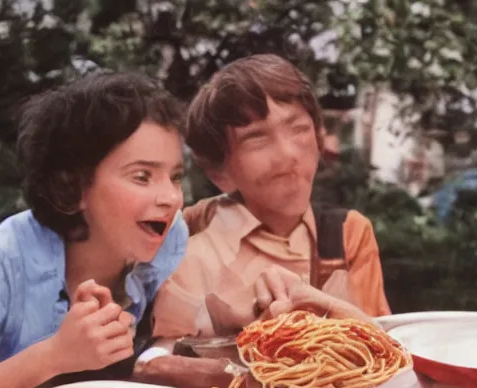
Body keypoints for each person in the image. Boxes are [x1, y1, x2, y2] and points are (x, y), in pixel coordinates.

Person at [152, 54, 391, 342]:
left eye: (299, 129)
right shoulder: (191, 247)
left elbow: (381, 348)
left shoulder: (347, 234)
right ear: (219, 173)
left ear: (318, 138)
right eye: (257, 139)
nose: (287, 155)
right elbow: (161, 361)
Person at [0, 73, 189, 388]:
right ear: (72, 187)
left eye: (174, 177)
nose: (171, 198)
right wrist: (53, 355)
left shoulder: (168, 238)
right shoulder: (6, 260)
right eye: (142, 176)